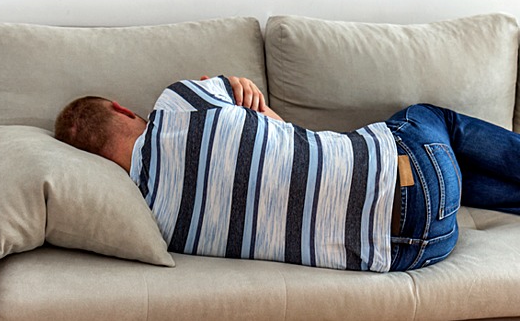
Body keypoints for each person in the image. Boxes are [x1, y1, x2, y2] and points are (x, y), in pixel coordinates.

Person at [55, 75, 520, 272]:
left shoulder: (154, 223)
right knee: (428, 118)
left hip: (421, 249)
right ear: (121, 108)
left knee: (437, 184)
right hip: (419, 165)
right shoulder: (178, 103)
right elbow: (282, 130)